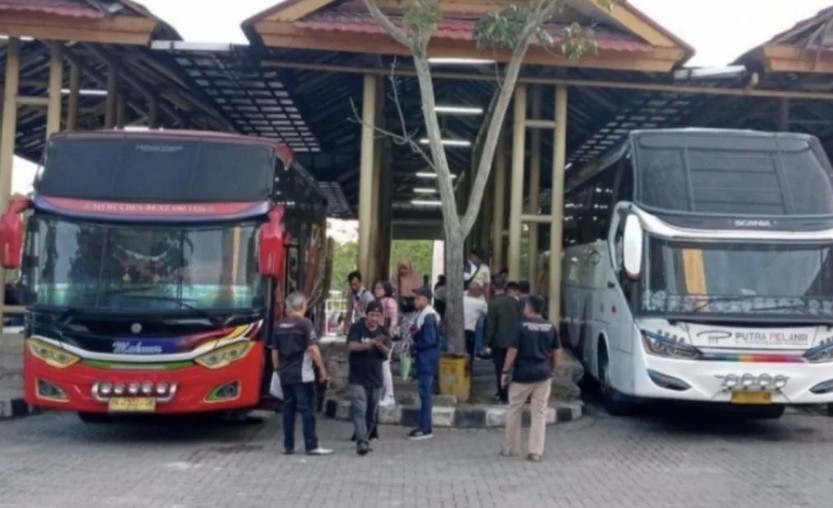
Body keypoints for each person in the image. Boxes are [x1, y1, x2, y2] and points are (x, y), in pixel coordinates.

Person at [270, 291, 333, 456]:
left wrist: (277, 370)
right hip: (302, 374)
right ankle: (311, 445)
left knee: (288, 409)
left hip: (285, 373)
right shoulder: (305, 324)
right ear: (302, 306)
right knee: (307, 410)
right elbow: (312, 349)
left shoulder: (279, 325)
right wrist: (322, 369)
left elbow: (274, 351)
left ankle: (288, 445)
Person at [500, 295, 561, 462]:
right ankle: (536, 451)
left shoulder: (521, 326)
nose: (524, 308)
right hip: (543, 374)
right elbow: (556, 353)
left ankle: (511, 448)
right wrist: (552, 369)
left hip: (522, 376)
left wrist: (505, 371)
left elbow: (512, 351)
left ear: (530, 307)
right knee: (539, 413)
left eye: (526, 305)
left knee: (514, 410)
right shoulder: (550, 327)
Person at [347, 300, 390, 455]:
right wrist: (369, 345)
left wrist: (380, 346)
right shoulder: (357, 327)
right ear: (367, 314)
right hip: (358, 377)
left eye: (378, 316)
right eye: (372, 315)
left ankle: (364, 437)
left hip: (375, 378)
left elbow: (387, 354)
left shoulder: (383, 331)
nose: (374, 319)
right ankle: (362, 443)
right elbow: (352, 346)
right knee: (359, 409)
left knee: (371, 414)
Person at [407, 286, 441, 440]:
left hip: (427, 358)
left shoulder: (428, 316)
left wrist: (414, 346)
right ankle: (423, 425)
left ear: (427, 299)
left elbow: (430, 340)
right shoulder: (425, 314)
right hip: (425, 357)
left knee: (425, 393)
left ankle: (425, 428)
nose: (415, 301)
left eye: (418, 298)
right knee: (424, 392)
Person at [485, 279, 521, 404]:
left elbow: (491, 325)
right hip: (516, 343)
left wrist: (487, 342)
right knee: (515, 368)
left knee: (500, 368)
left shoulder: (494, 303)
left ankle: (502, 393)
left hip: (499, 343)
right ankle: (515, 393)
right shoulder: (519, 304)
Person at [373, 279, 398, 407]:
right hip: (380, 335)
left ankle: (389, 395)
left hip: (386, 337)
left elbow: (393, 320)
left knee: (385, 366)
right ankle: (384, 394)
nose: (376, 291)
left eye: (380, 288)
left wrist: (387, 333)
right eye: (376, 288)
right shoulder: (378, 302)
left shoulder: (389, 302)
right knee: (381, 366)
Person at [463, 282, 488, 372]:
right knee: (469, 355)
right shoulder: (479, 304)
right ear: (477, 291)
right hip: (469, 331)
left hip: (456, 331)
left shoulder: (461, 299)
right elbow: (488, 313)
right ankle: (468, 373)